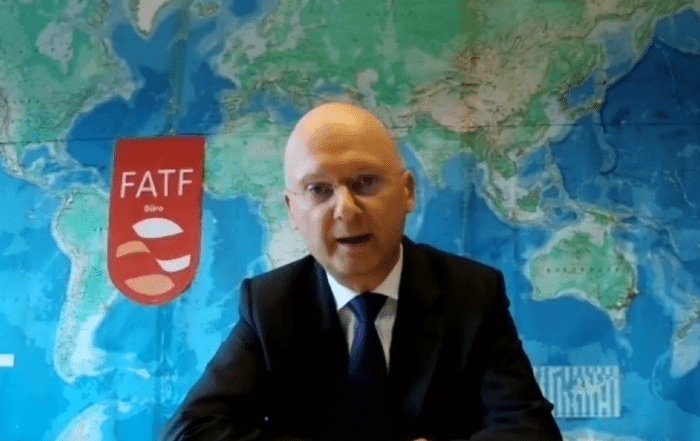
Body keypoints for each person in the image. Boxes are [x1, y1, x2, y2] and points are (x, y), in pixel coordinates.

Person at [160, 102, 562, 441]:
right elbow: (191, 430)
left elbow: (530, 429)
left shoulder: (472, 293)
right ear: (292, 211)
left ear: (407, 192)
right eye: (319, 189)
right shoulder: (270, 305)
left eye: (365, 182)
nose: (346, 210)